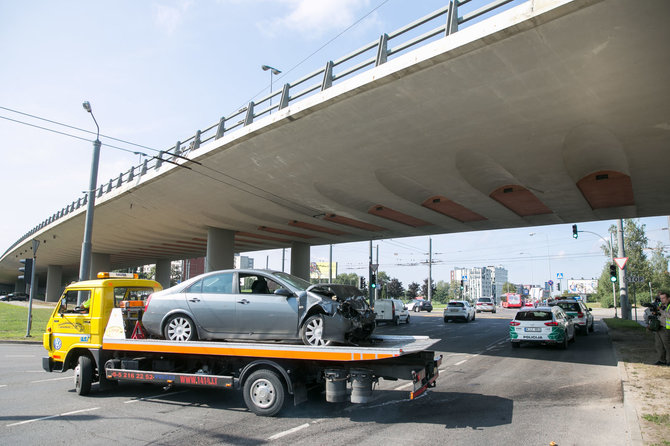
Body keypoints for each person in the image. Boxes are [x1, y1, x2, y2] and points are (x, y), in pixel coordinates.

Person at [652, 292, 670, 365]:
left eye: (663, 298)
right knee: (659, 345)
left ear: (668, 298)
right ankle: (661, 360)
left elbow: (668, 315)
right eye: (661, 298)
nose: (662, 300)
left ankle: (669, 361)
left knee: (668, 346)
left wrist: (661, 311)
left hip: (666, 328)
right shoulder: (660, 305)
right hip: (658, 327)